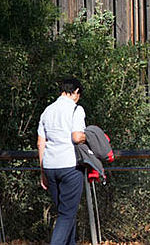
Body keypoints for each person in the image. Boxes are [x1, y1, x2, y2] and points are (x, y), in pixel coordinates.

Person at [37, 78, 86, 245]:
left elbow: (40, 142)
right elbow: (77, 136)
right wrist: (90, 136)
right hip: (70, 166)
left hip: (50, 167)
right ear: (76, 92)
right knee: (67, 215)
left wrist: (43, 171)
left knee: (65, 213)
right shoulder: (76, 110)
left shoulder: (47, 111)